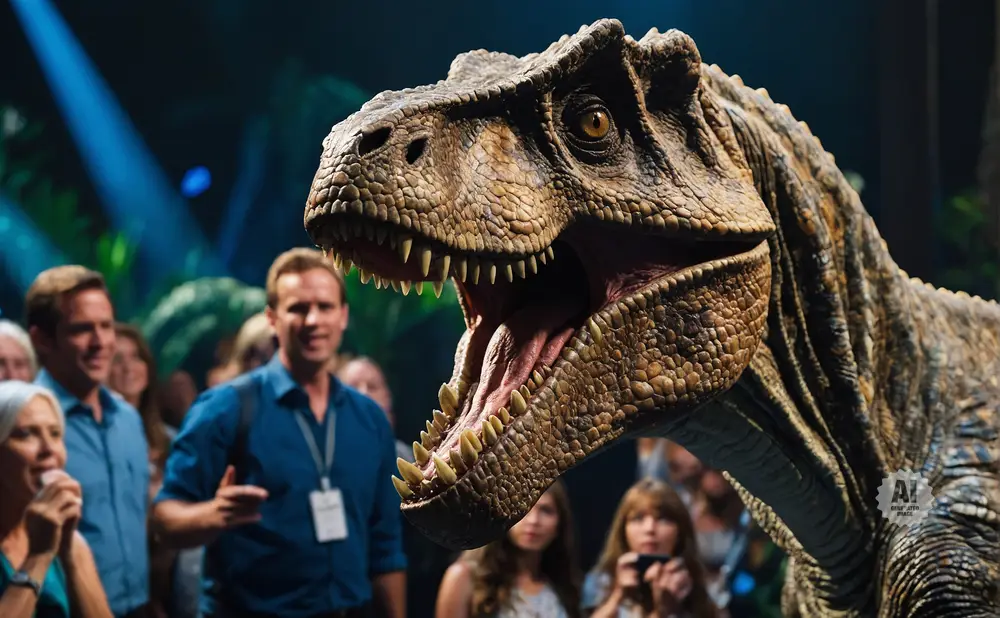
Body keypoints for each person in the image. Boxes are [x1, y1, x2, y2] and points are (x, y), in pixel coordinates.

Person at [152, 247, 407, 618]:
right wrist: (214, 515)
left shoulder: (368, 419)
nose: (312, 320)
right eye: (297, 308)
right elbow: (164, 519)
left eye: (324, 306)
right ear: (272, 318)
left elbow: (386, 547)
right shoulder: (225, 408)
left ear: (343, 316)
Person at [26, 265, 150, 618]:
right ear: (42, 340)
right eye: (82, 329)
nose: (100, 342)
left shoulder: (127, 419)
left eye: (106, 326)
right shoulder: (23, 429)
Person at [0, 380, 113, 618]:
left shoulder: (71, 540)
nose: (49, 449)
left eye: (55, 433)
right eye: (26, 434)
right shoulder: (43, 543)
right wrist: (39, 556)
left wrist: (69, 551)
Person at [435, 479, 581, 618]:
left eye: (546, 510)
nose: (534, 521)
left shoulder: (562, 583)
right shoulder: (465, 576)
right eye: (524, 507)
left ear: (559, 524)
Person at [582, 479, 718, 618]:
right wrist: (618, 595)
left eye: (662, 519)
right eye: (638, 518)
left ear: (680, 532)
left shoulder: (700, 586)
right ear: (623, 530)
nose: (650, 529)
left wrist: (668, 608)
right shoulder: (601, 581)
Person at [336, 356, 411, 462]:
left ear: (387, 398)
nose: (364, 393)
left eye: (372, 386)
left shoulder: (408, 459)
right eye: (352, 387)